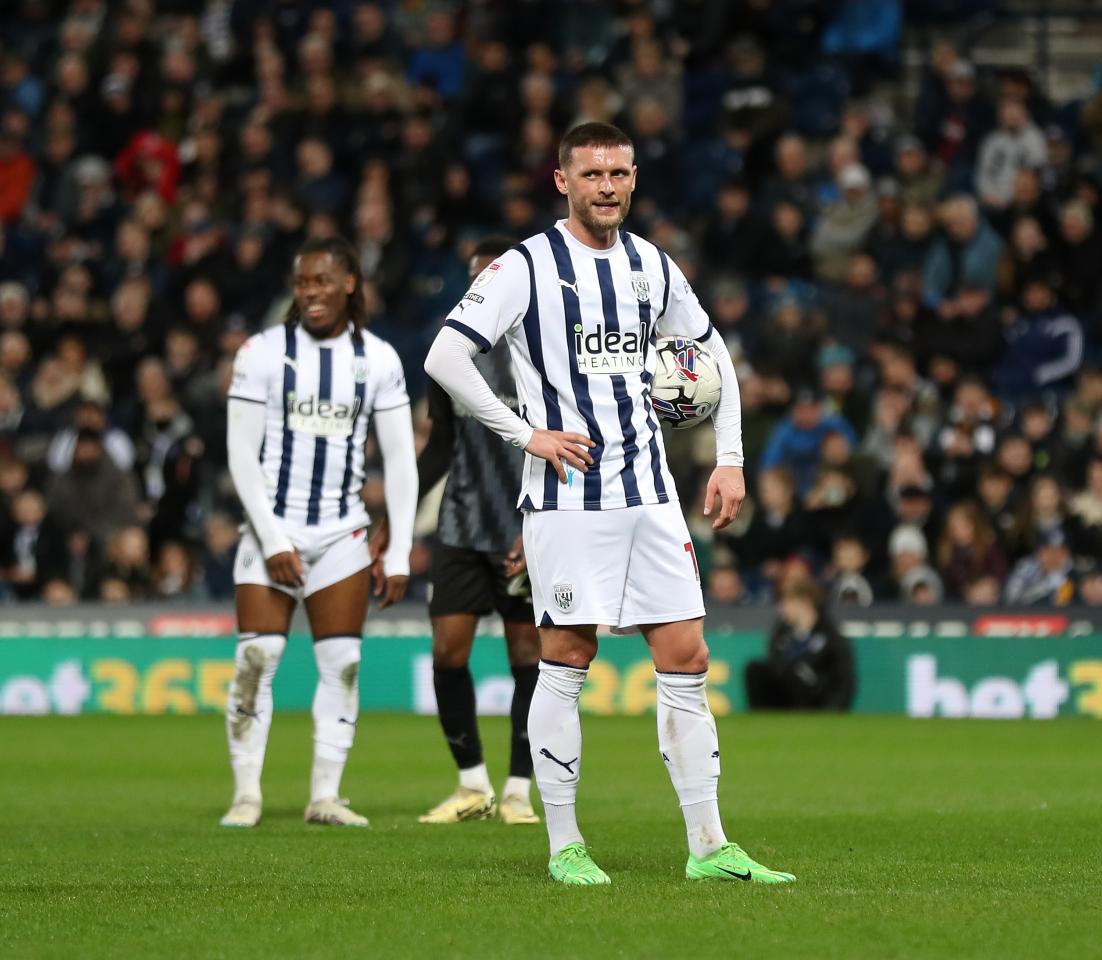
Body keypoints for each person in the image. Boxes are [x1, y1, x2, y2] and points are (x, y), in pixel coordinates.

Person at [424, 122, 793, 885]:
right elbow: (445, 355)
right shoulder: (526, 265)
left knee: (686, 657)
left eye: (620, 173)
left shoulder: (650, 265)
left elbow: (711, 351)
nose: (608, 187)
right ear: (562, 181)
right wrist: (525, 433)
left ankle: (709, 847)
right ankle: (564, 846)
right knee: (567, 655)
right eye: (593, 174)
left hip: (651, 494)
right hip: (566, 501)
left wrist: (730, 458)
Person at [220, 236, 418, 829]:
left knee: (344, 664)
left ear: (349, 283)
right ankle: (247, 794)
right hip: (270, 529)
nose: (310, 293)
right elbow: (239, 453)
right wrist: (273, 540)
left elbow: (402, 462)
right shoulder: (261, 352)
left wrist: (401, 548)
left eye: (322, 282)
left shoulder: (379, 359)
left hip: (342, 535)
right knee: (259, 656)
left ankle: (325, 796)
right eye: (302, 283)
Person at [370, 236, 541, 827]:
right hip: (462, 526)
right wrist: (395, 515)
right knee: (448, 650)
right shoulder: (452, 356)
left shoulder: (540, 353)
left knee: (529, 656)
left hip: (526, 527)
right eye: (474, 281)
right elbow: (439, 446)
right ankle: (472, 786)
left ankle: (519, 789)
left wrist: (547, 522)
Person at [746, 574, 855, 710]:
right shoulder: (782, 632)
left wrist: (832, 711)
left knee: (799, 673)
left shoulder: (832, 637)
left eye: (788, 602)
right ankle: (762, 718)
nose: (783, 608)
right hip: (786, 696)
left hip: (816, 698)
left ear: (805, 603)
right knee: (755, 669)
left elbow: (844, 681)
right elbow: (775, 663)